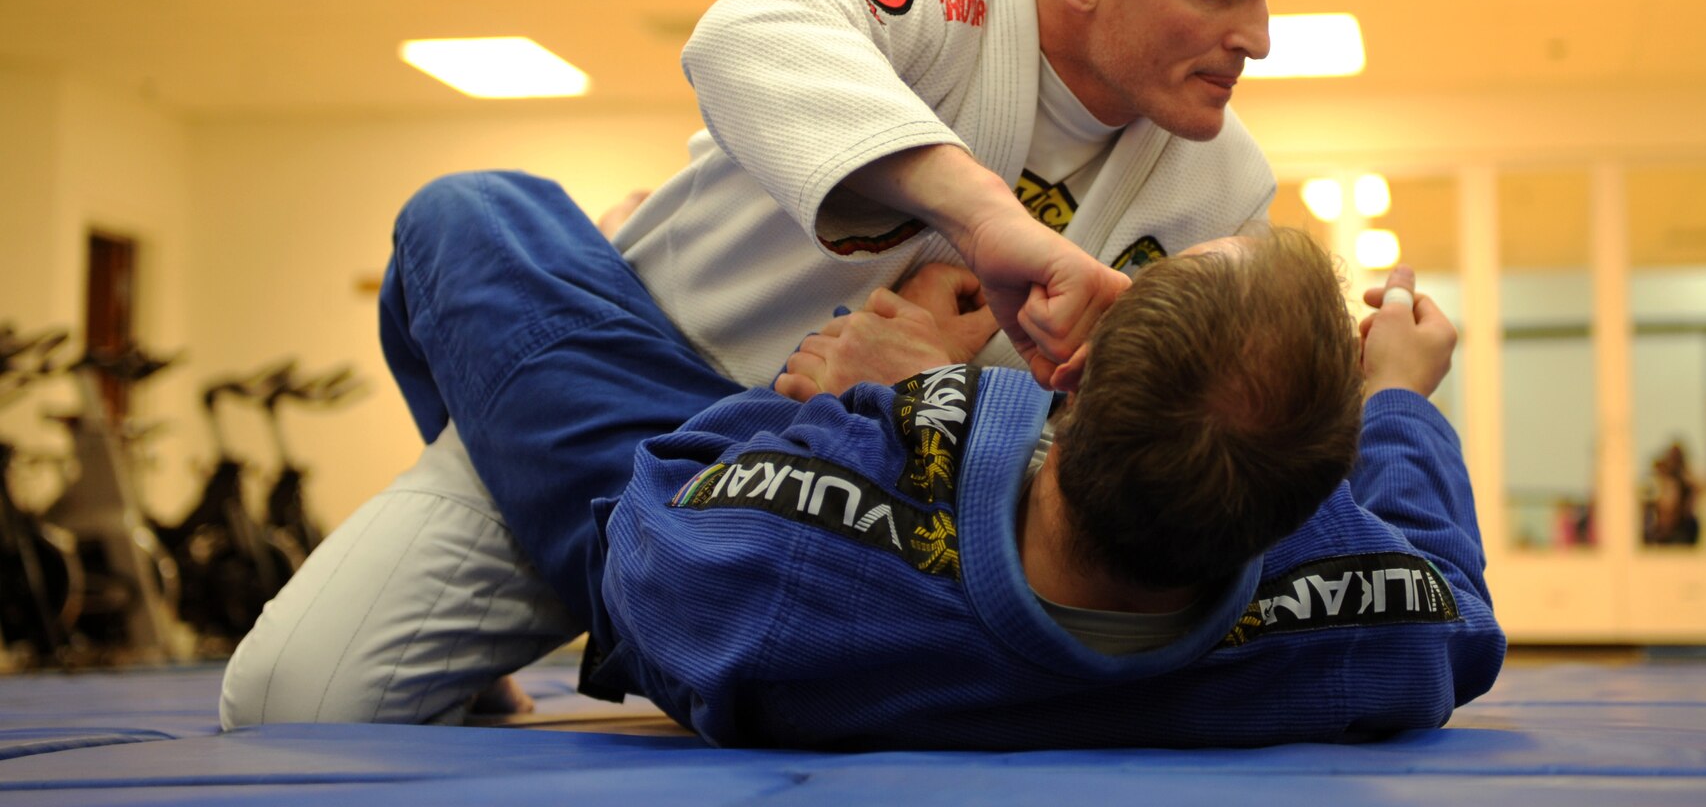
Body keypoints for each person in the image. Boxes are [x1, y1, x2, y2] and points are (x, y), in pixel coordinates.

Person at [222, 0, 1300, 727]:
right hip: (606, 377)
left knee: (471, 217)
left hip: (817, 505)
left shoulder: (1221, 188)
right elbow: (744, 34)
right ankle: (585, 564)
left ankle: (629, 595)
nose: (1255, 35)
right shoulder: (939, 2)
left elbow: (1117, 469)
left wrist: (934, 391)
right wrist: (981, 215)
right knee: (285, 703)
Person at [241, 172, 1504, 747]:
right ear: (1301, 495)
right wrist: (1397, 401)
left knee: (472, 216)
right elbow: (1449, 602)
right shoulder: (1356, 623)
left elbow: (659, 498)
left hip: (668, 532)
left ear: (1059, 390)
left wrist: (892, 398)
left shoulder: (783, 574)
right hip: (850, 544)